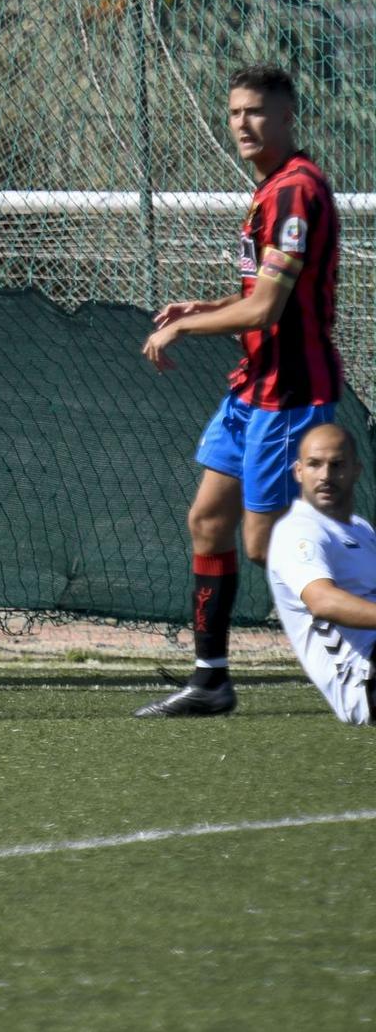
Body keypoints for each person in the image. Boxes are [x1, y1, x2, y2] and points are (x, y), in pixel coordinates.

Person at [137, 64, 341, 717]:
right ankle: (211, 679)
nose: (243, 125)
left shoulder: (295, 193)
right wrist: (206, 303)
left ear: (287, 117)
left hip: (291, 392)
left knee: (264, 543)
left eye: (256, 112)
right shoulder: (271, 189)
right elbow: (258, 299)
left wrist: (189, 326)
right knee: (208, 521)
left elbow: (266, 312)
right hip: (251, 388)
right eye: (234, 114)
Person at [265, 424, 376, 725]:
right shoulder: (298, 531)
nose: (326, 476)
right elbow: (323, 602)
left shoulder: (361, 530)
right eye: (315, 464)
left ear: (356, 470)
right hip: (363, 683)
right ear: (298, 471)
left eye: (337, 465)